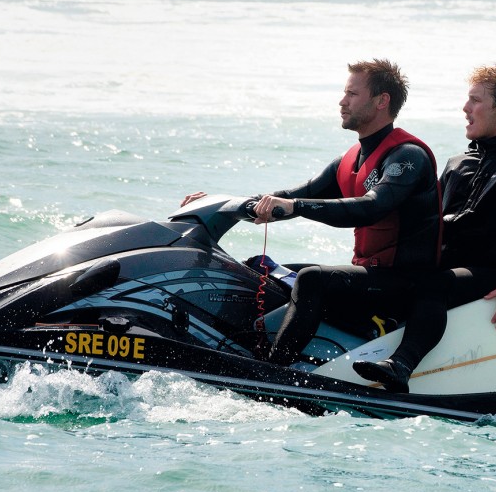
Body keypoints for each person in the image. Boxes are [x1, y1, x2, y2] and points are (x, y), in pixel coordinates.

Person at [181, 59, 442, 366]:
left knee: (311, 279)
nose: (342, 101)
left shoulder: (408, 156)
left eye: (352, 94)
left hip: (408, 283)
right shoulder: (351, 160)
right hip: (371, 275)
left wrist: (299, 208)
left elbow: (372, 207)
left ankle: (275, 371)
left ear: (381, 101)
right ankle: (237, 349)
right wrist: (221, 202)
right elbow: (292, 196)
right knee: (262, 275)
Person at [353, 64, 496, 392]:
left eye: (475, 101)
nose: (465, 108)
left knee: (433, 283)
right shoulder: (458, 163)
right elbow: (426, 225)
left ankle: (401, 364)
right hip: (445, 272)